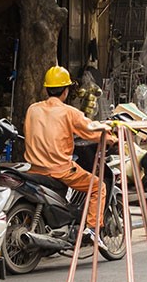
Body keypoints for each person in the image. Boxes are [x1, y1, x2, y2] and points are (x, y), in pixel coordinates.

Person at [24, 66, 113, 242]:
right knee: (98, 187)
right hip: (60, 170)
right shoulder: (69, 112)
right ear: (66, 91)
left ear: (47, 88)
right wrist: (111, 137)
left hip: (34, 169)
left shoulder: (32, 109)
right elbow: (91, 130)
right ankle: (92, 230)